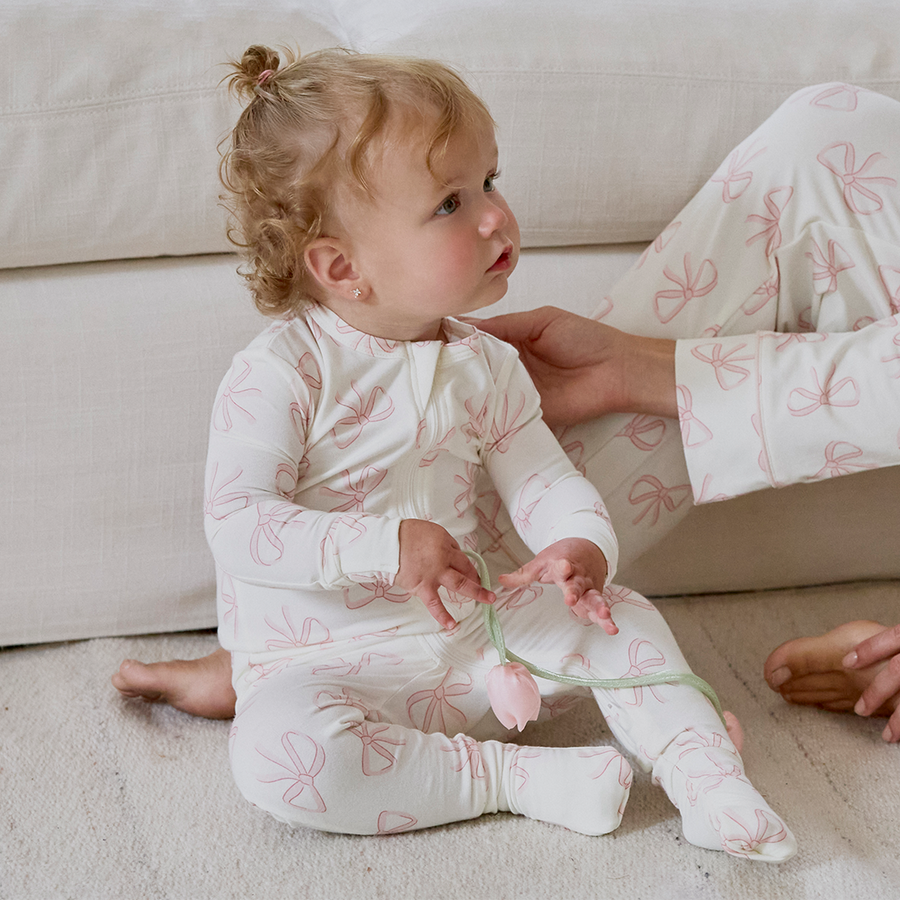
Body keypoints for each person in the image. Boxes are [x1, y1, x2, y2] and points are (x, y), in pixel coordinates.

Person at [116, 44, 798, 860]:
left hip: (475, 643)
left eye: (490, 182)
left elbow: (542, 475)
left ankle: (705, 776)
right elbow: (239, 523)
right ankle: (515, 781)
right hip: (329, 663)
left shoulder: (486, 365)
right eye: (449, 203)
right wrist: (385, 546)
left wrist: (580, 544)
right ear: (342, 267)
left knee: (627, 619)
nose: (493, 216)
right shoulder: (280, 374)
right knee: (278, 762)